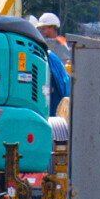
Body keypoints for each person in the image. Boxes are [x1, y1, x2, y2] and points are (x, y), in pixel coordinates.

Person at [32, 8, 74, 146]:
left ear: (52, 27)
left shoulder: (56, 47)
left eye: (43, 29)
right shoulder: (48, 50)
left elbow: (63, 84)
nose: (41, 33)